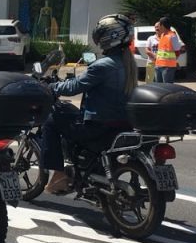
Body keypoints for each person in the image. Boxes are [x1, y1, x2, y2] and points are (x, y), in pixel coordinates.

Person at [41, 14, 137, 195]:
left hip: (98, 127)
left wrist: (51, 86)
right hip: (122, 125)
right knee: (69, 113)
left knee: (52, 120)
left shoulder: (103, 65)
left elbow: (74, 86)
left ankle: (59, 175)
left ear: (108, 37)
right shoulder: (128, 64)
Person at [152, 16, 184, 83]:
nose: (158, 27)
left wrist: (174, 61)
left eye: (159, 25)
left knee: (167, 87)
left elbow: (177, 51)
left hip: (167, 67)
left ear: (162, 25)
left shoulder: (172, 36)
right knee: (159, 87)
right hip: (158, 65)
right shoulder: (163, 35)